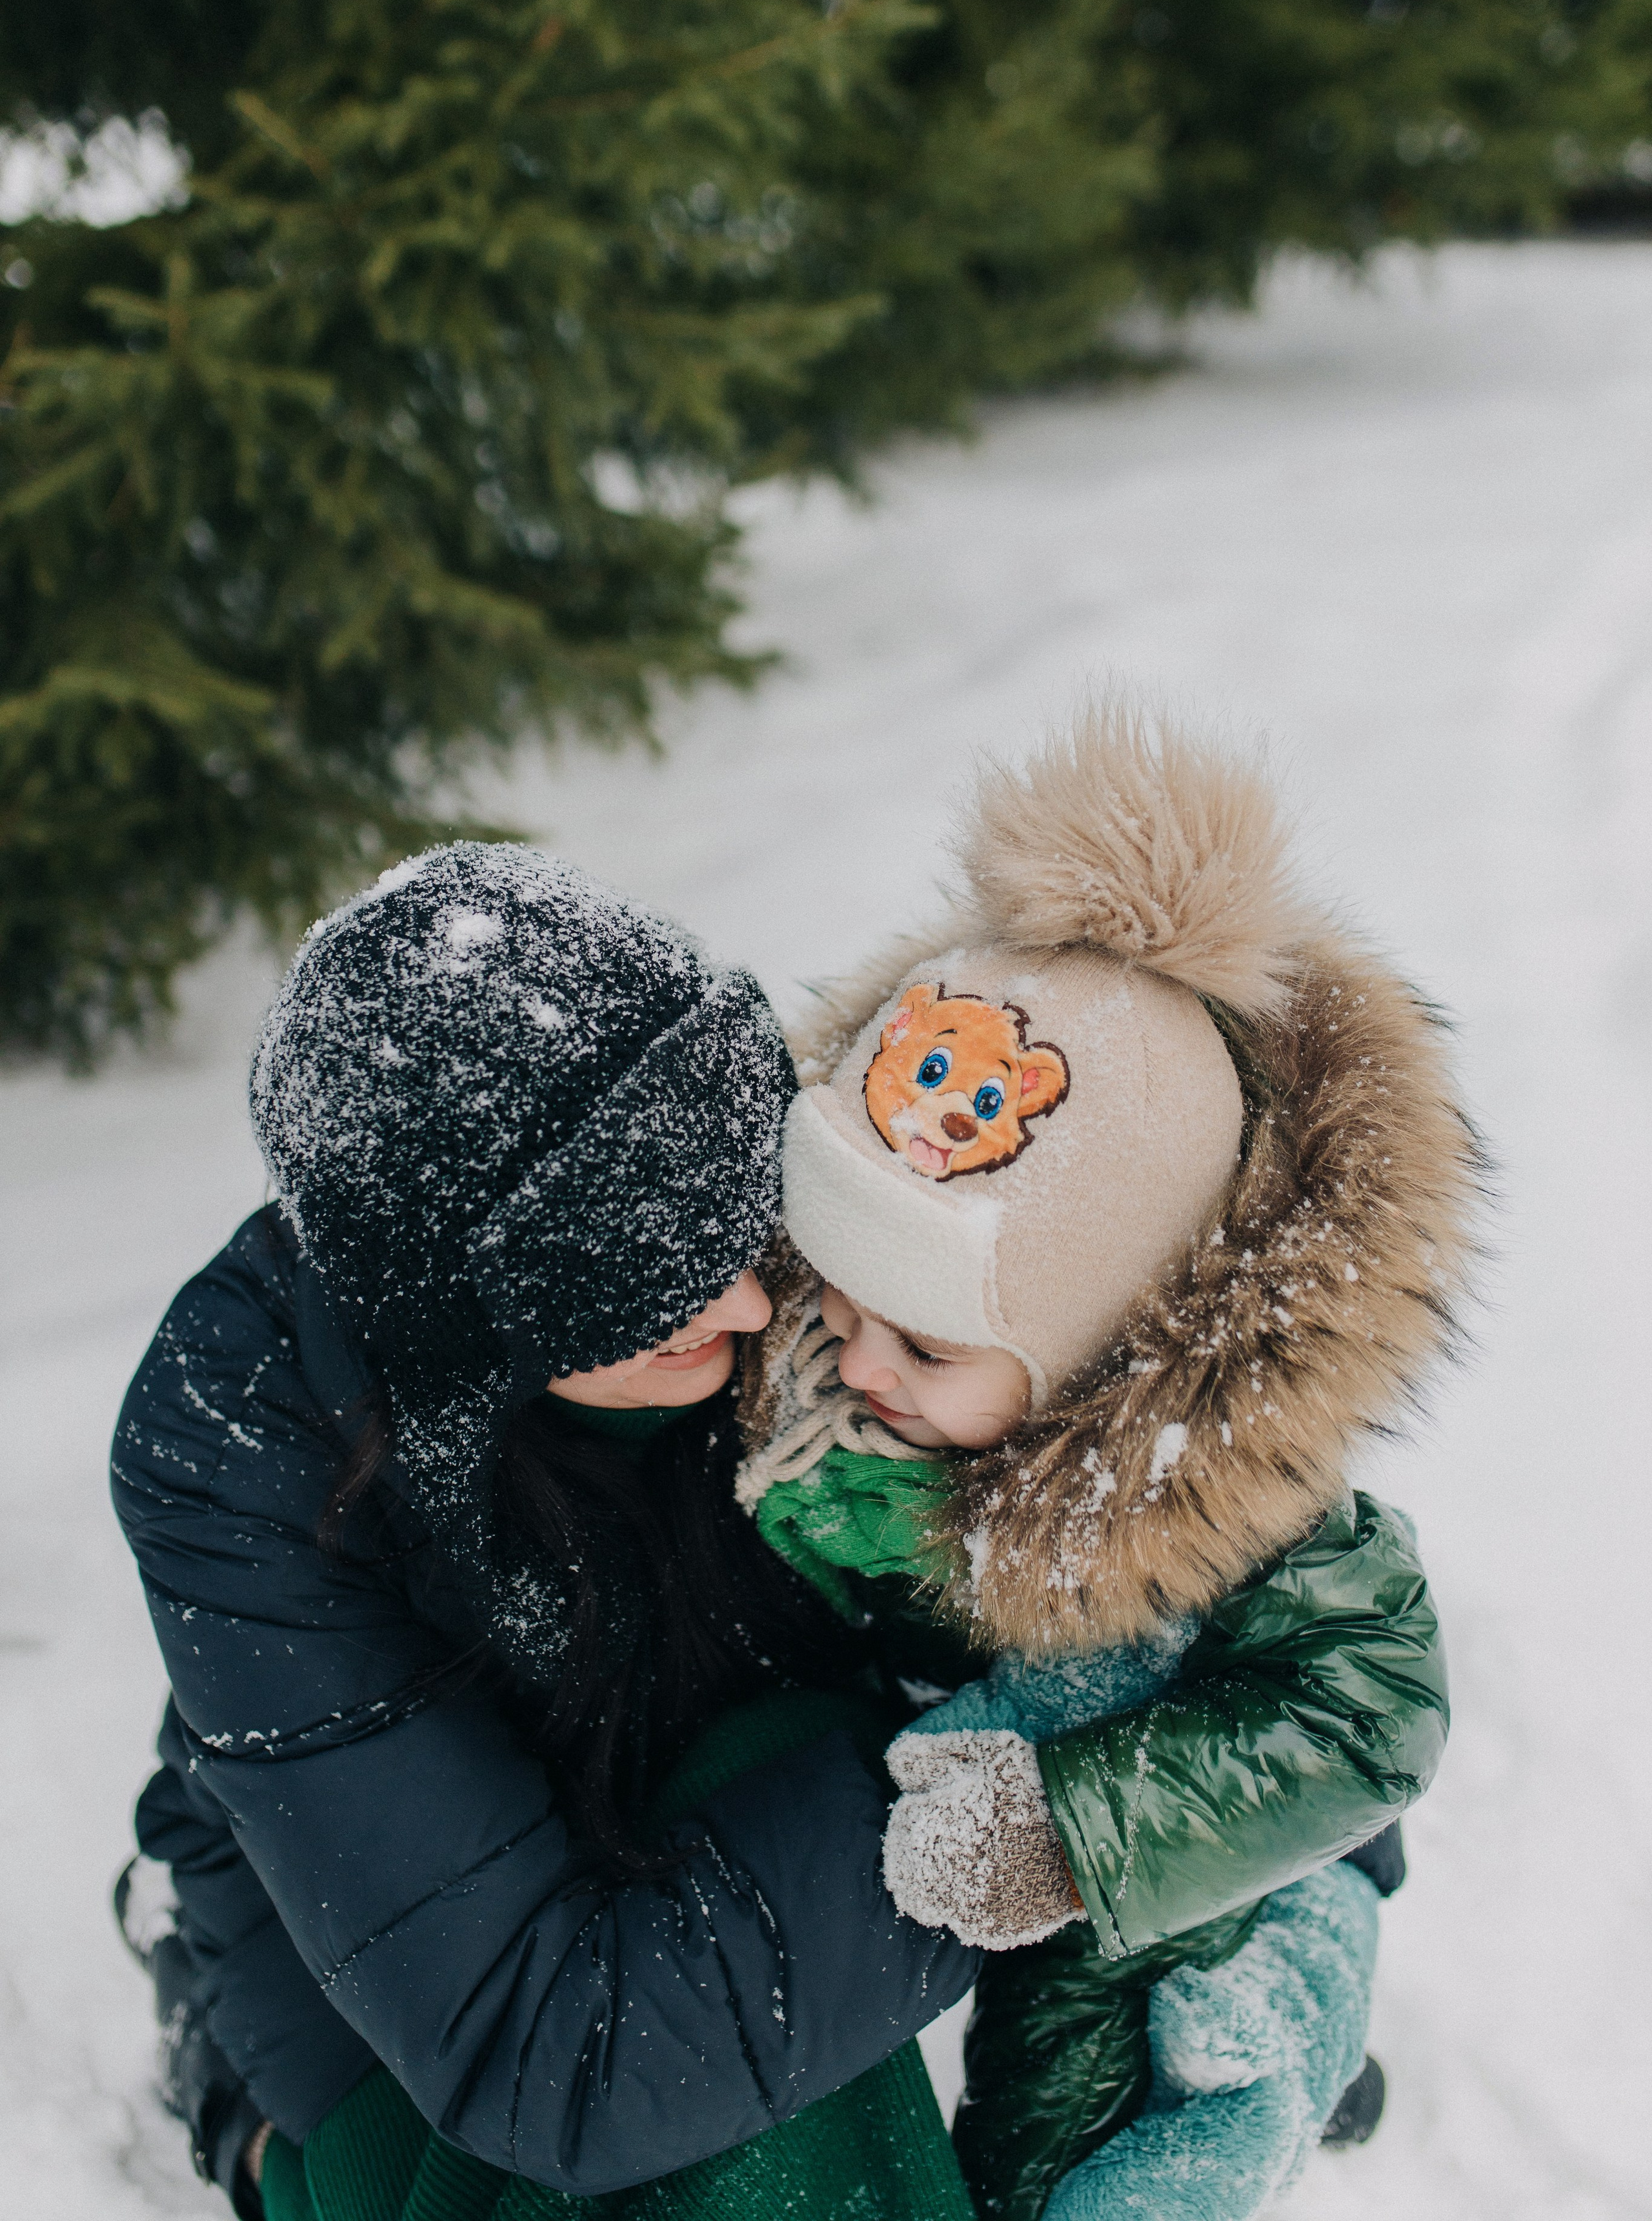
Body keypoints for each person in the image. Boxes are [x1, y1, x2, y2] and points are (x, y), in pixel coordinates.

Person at [110, 846, 980, 2220]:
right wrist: (1034, 1828)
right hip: (399, 1929)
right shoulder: (238, 1445)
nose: (758, 1310)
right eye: (666, 1293)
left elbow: (1154, 1531)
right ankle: (245, 2116)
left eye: (744, 1237)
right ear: (484, 1314)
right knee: (541, 2128)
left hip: (703, 1766)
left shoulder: (823, 1258)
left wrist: (1283, 1876)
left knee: (751, 1977)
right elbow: (551, 2060)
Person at [733, 699, 1478, 2220]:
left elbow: (1371, 1708)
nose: (858, 1366)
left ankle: (1303, 2039)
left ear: (1095, 1361)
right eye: (839, 1301)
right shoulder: (818, 1395)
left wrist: (1067, 1830)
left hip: (1168, 1832)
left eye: (927, 1349)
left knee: (1094, 2117)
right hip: (941, 1766)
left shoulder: (1224, 1509)